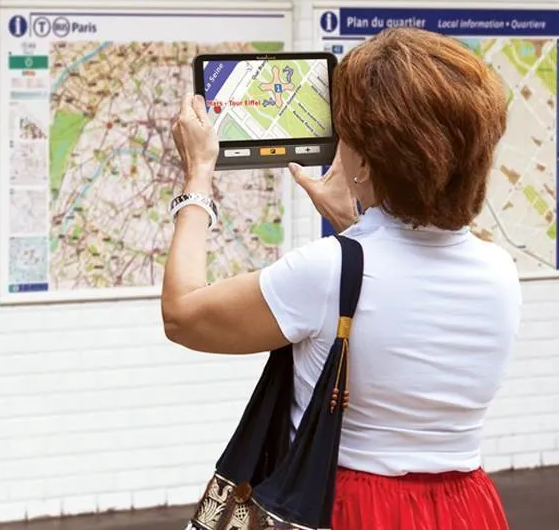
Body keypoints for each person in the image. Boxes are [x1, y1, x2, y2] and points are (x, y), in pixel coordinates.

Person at [161, 28, 522, 529]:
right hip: (465, 506)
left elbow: (183, 316)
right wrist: (359, 221)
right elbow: (403, 282)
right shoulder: (500, 270)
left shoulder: (328, 270)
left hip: (354, 506)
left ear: (368, 162)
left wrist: (198, 175)